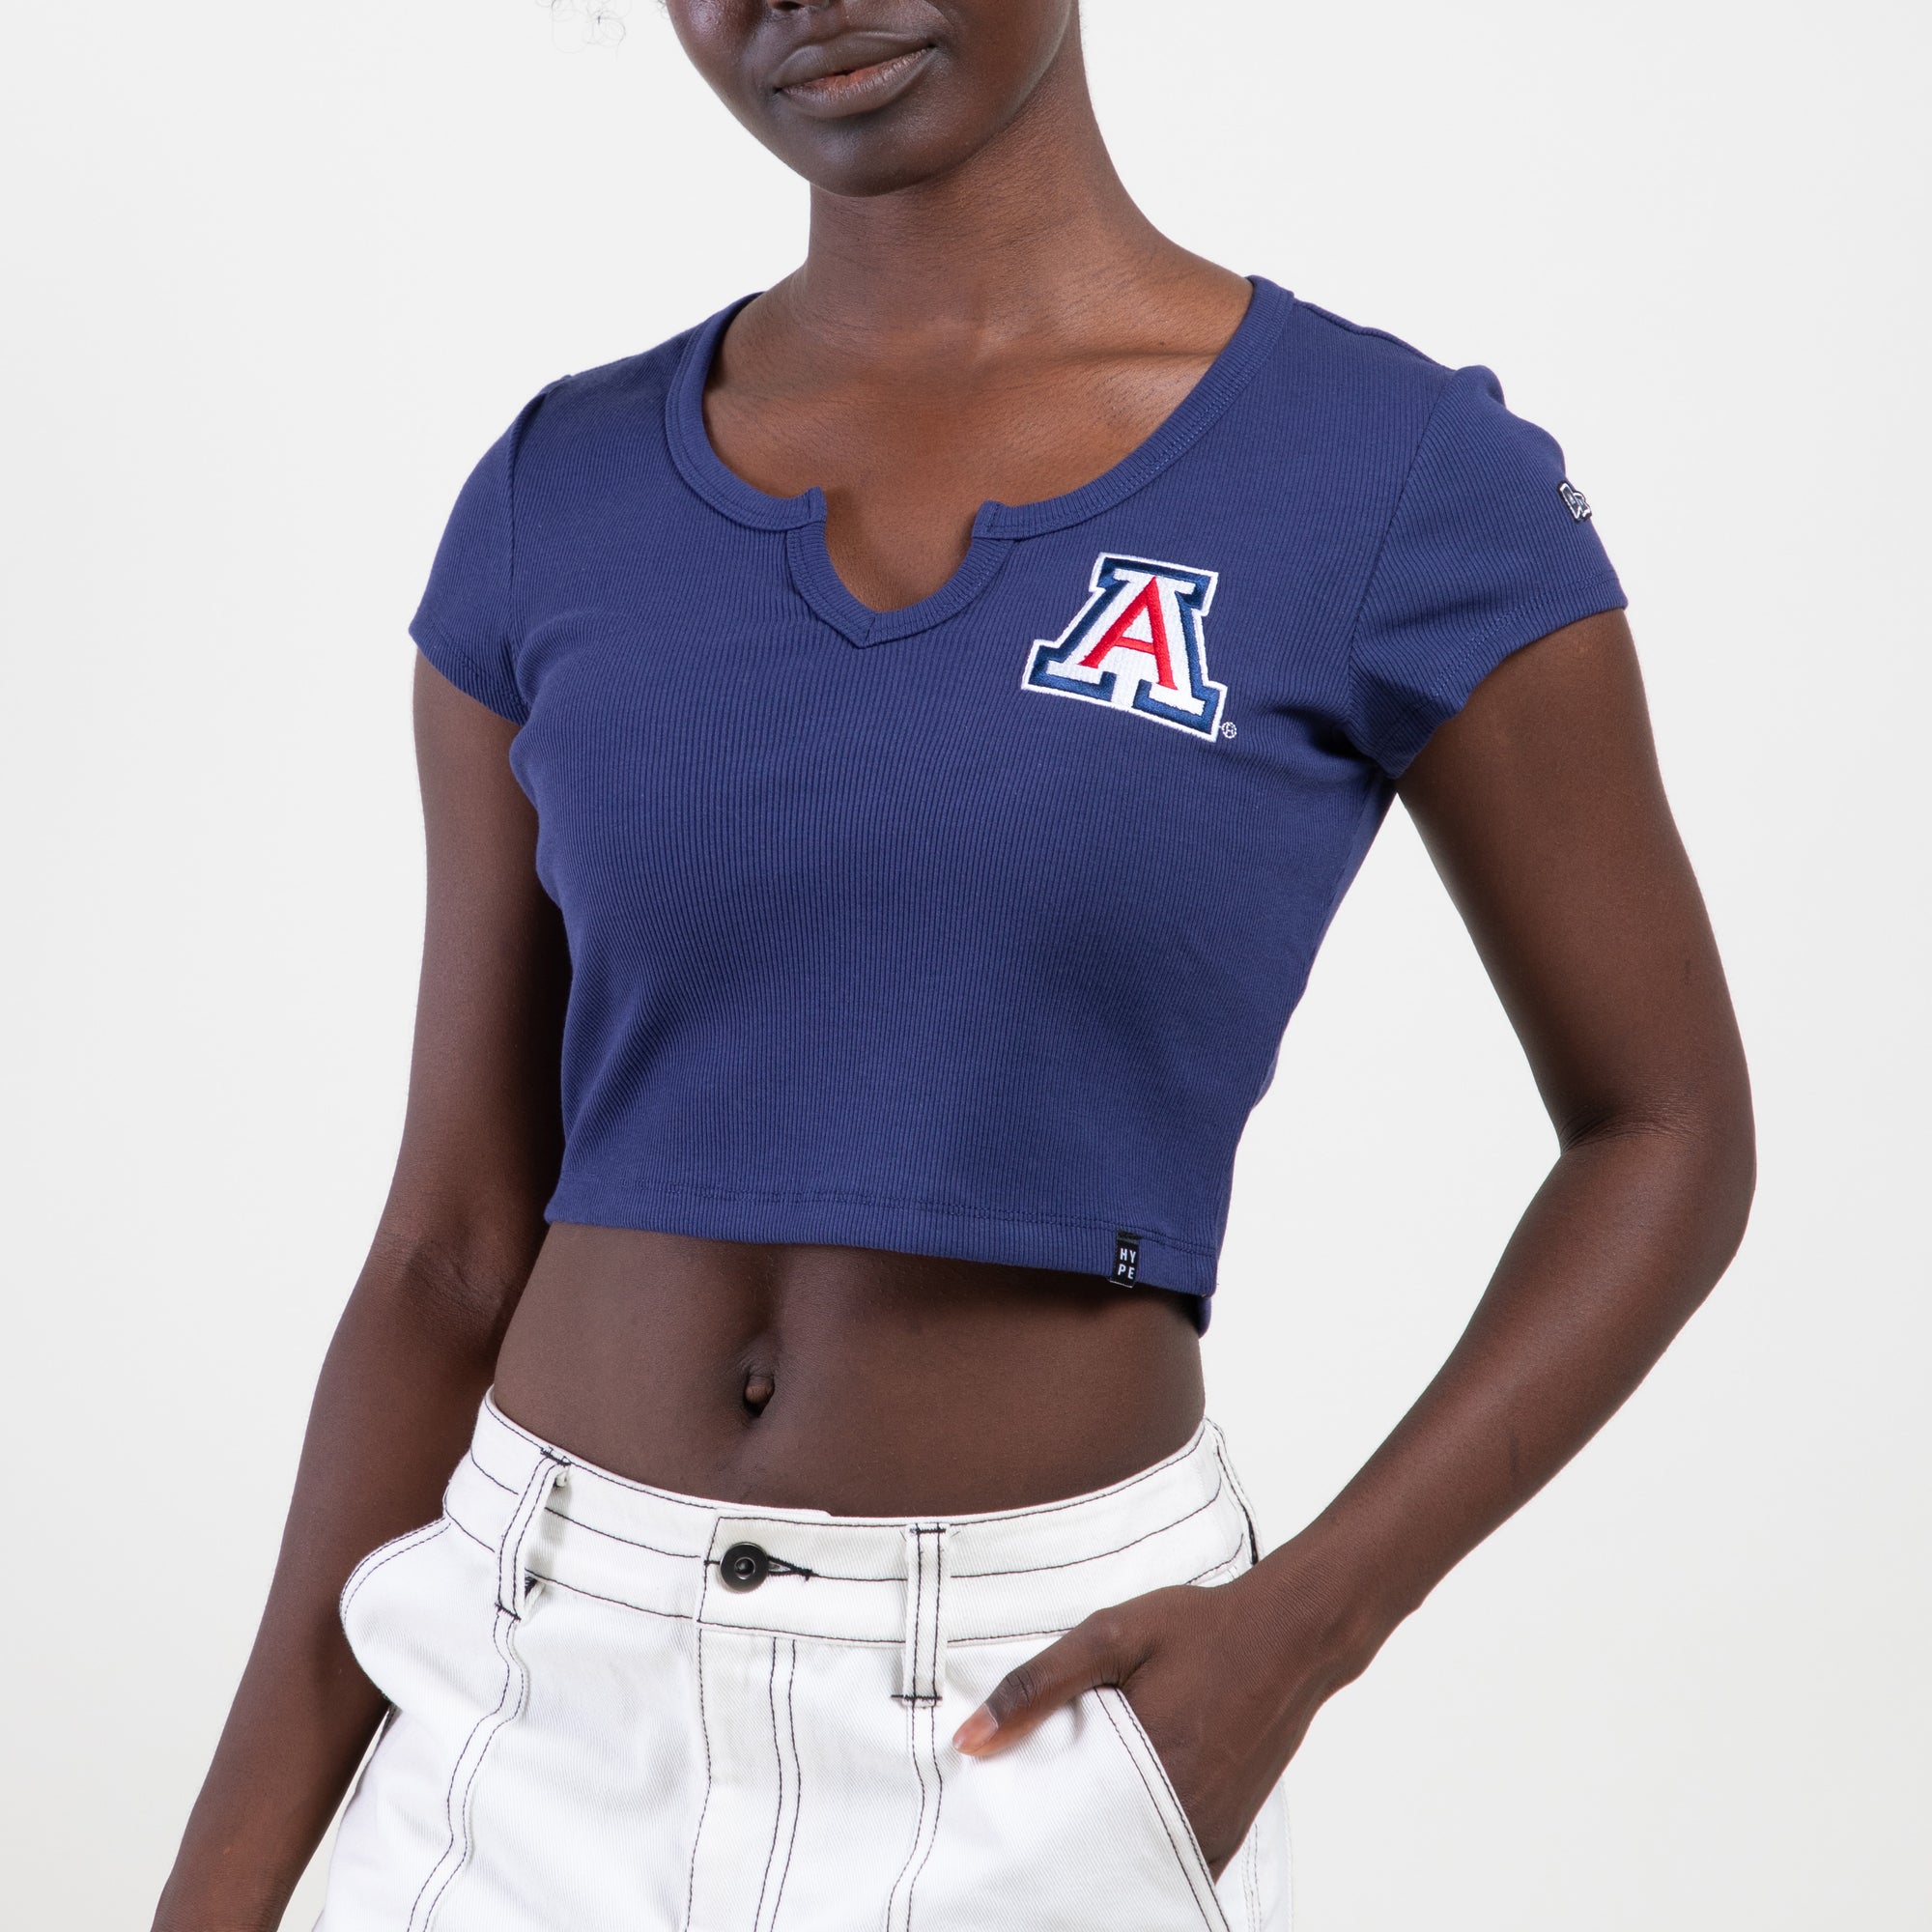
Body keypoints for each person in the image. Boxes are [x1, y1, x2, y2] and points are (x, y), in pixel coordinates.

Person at [153, 4, 1755, 1928]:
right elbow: (450, 1252)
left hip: (1028, 1727)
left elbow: (1665, 1130)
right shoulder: (551, 497)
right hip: (526, 1701)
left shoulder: (1394, 479)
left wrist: (1304, 1631)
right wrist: (218, 1887)